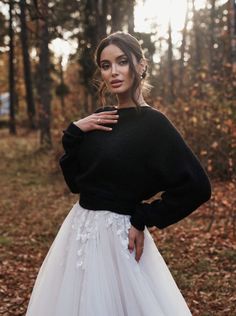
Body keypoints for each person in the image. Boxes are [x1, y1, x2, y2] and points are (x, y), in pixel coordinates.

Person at [25, 31, 211, 316]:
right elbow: (77, 184)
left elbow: (197, 186)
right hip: (78, 233)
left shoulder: (154, 124)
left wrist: (144, 217)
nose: (113, 72)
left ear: (141, 65)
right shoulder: (103, 118)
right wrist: (74, 134)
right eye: (105, 65)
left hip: (118, 239)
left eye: (122, 61)